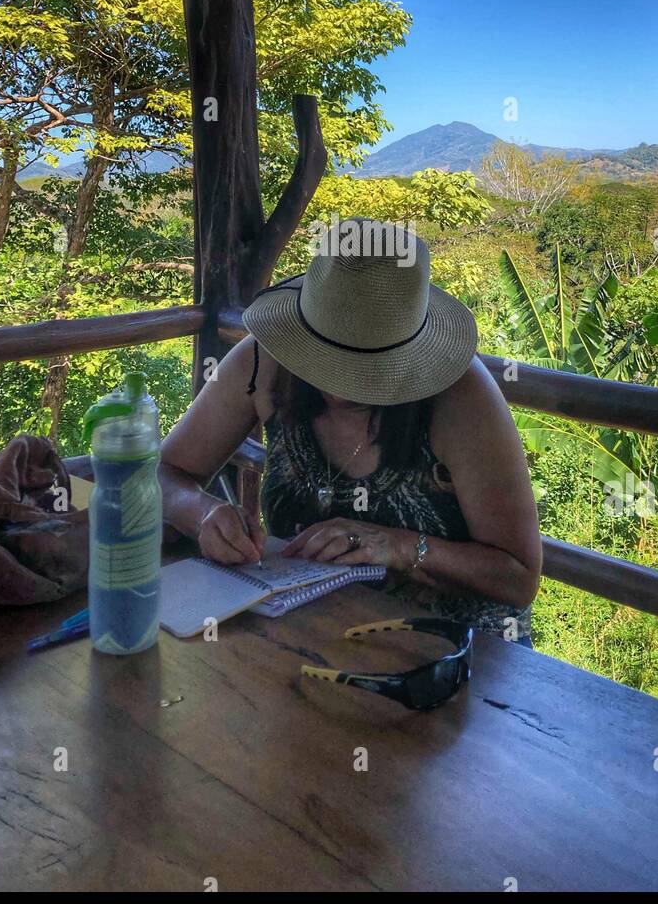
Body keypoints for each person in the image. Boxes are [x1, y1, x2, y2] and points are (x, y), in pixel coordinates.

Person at [159, 219, 541, 636]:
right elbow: (165, 473)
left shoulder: (460, 396)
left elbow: (518, 578)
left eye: (367, 370)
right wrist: (203, 515)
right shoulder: (262, 362)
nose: (341, 388)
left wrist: (397, 546)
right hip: (308, 628)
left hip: (452, 650)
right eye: (325, 362)